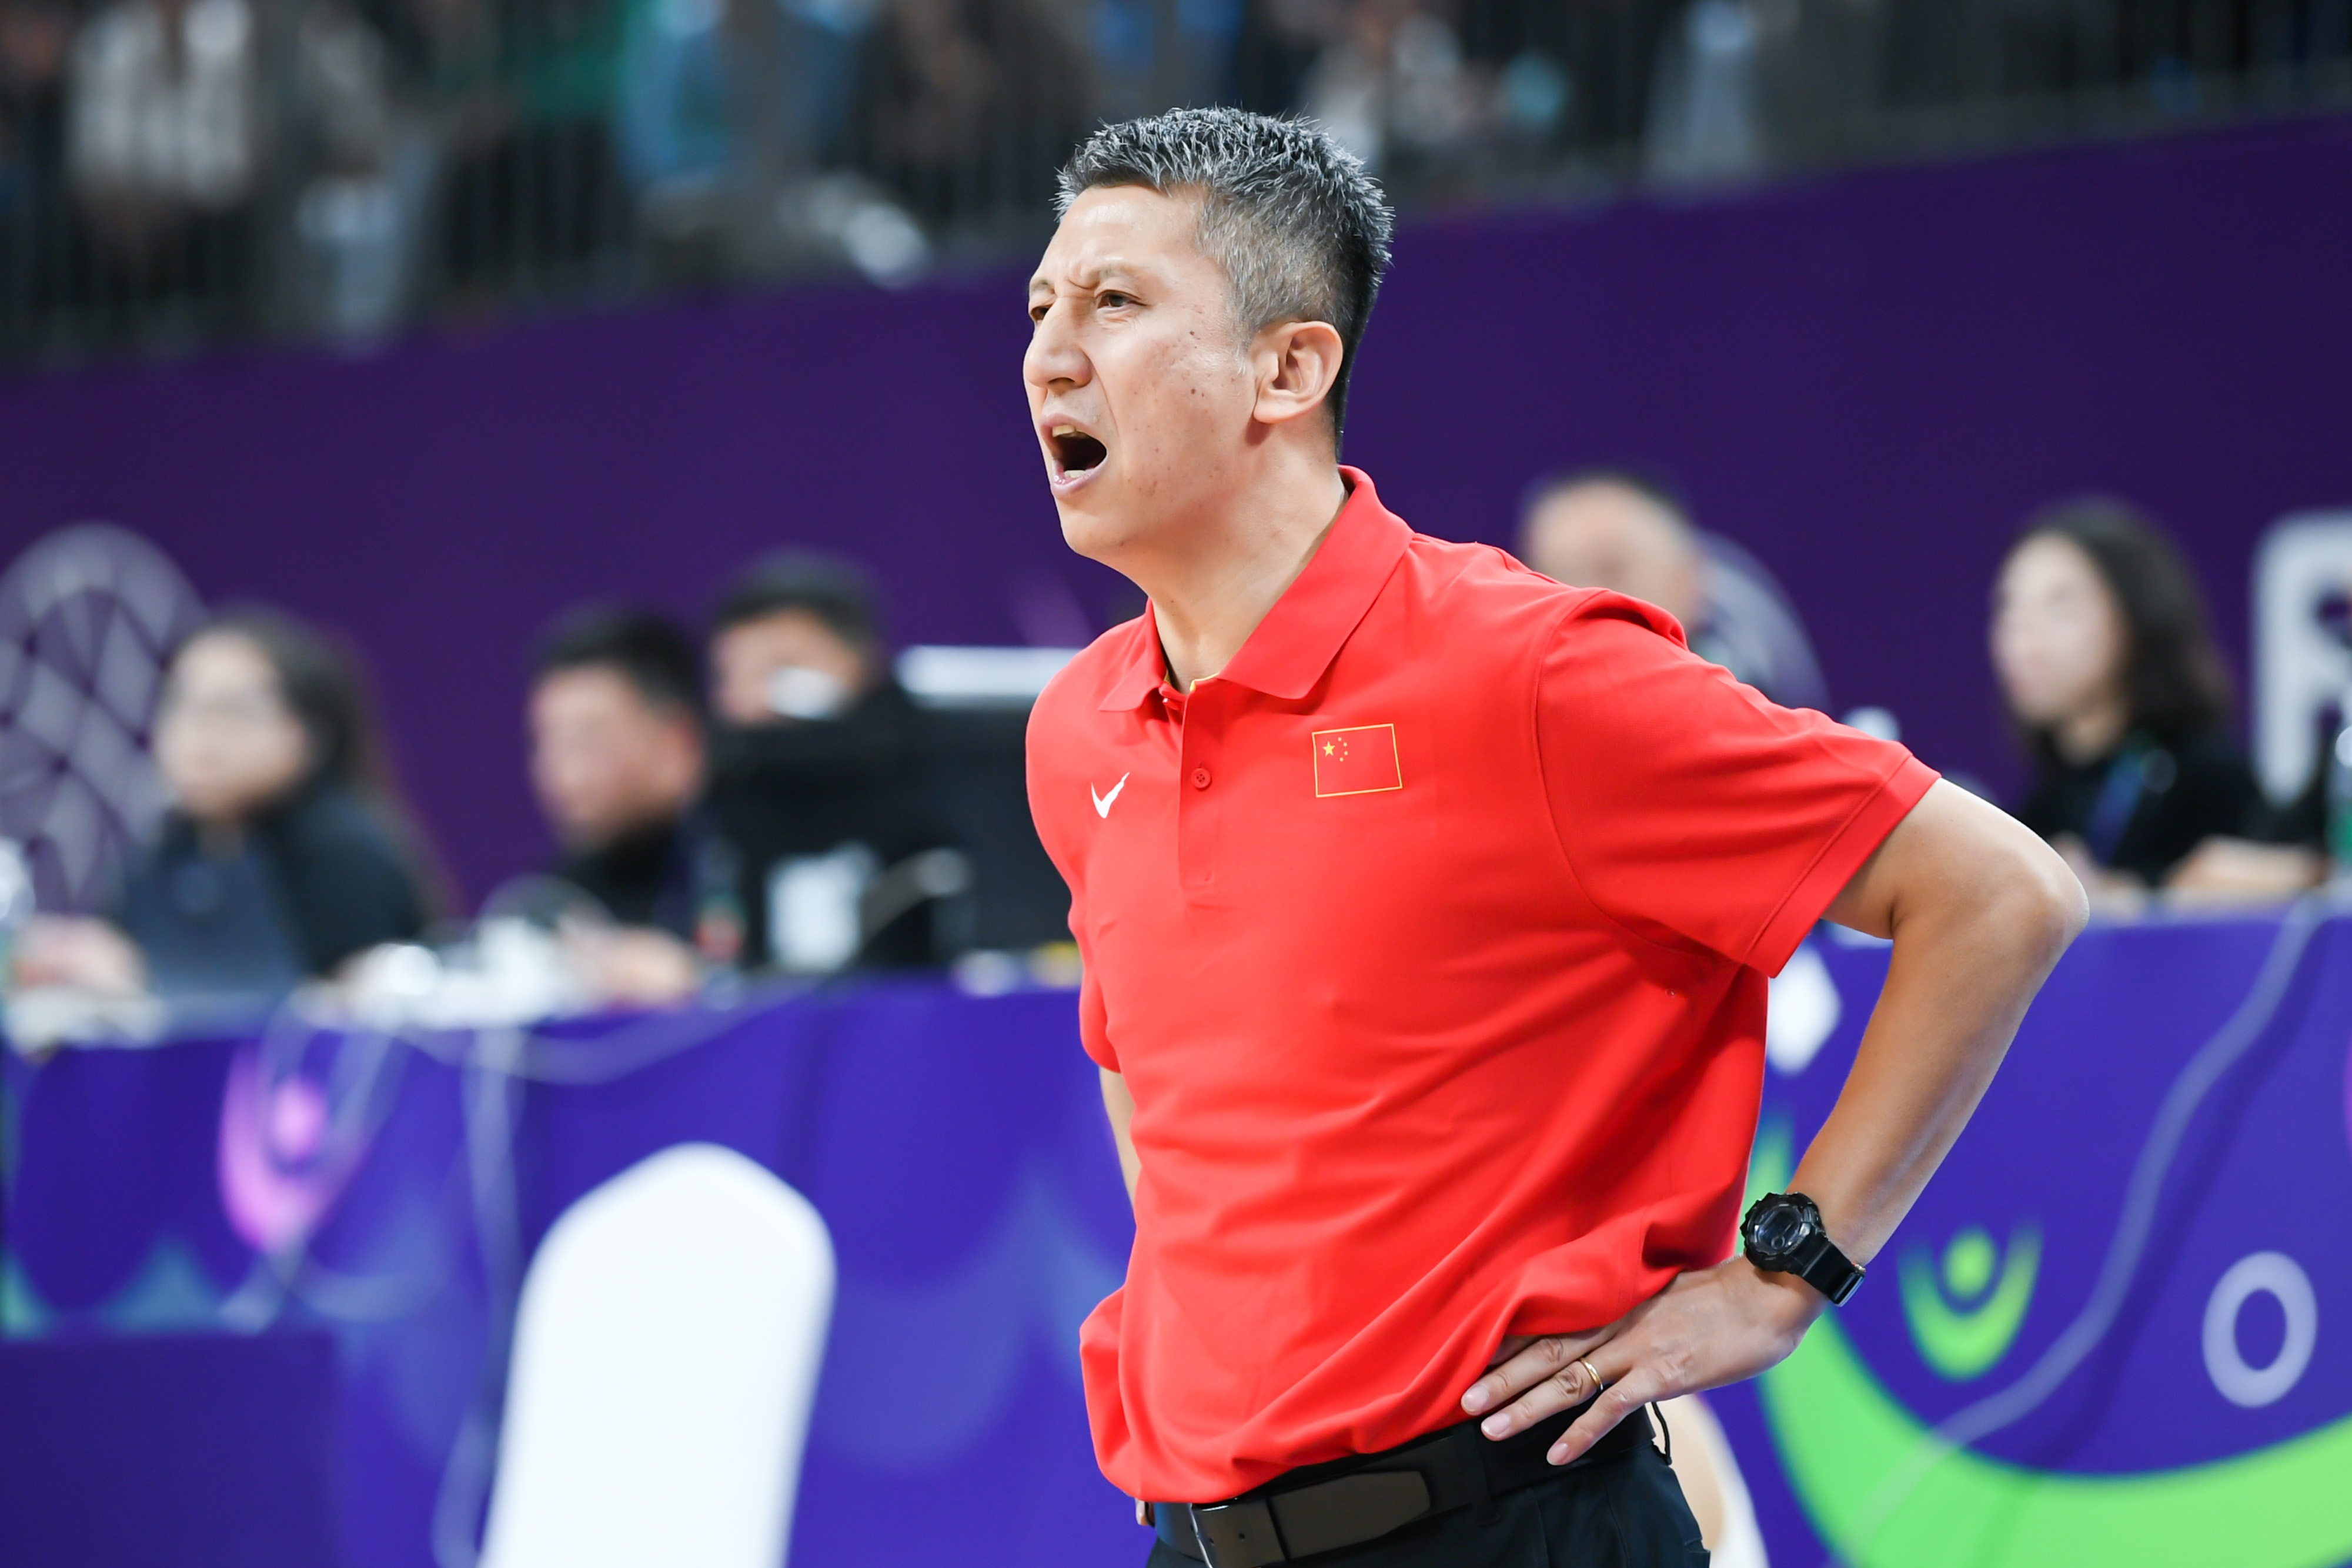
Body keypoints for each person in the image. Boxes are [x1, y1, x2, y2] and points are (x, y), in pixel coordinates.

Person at [1021, 108, 2083, 1566]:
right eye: (1041, 307)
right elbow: (1146, 1082)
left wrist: (1785, 1275)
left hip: (1513, 1519)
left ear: (1288, 369)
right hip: (1199, 1538)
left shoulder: (1523, 673)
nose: (1049, 356)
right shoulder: (1076, 730)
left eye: (1113, 302)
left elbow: (1997, 893)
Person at [13, 608, 436, 1002]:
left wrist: (145, 978)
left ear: (303, 735)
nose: (197, 735)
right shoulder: (162, 853)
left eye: (231, 710)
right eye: (180, 703)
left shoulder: (344, 855)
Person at [1990, 499, 2291, 910]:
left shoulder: (2210, 785)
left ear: (2136, 616)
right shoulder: (2041, 809)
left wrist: (2147, 896)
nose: (2024, 642)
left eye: (2060, 608)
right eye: (2009, 610)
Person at [701, 551, 956, 970]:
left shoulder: (938, 774)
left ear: (859, 662)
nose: (754, 702)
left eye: (781, 670)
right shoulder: (713, 805)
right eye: (734, 677)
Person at [1519, 466, 1828, 710]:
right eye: (1553, 576)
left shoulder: (1751, 715)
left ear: (1687, 579)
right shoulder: (1515, 718)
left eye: (1613, 568)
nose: (1582, 595)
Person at [527, 606, 712, 1004]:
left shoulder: (737, 865)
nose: (564, 774)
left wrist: (698, 982)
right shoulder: (563, 892)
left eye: (587, 741)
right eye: (548, 742)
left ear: (676, 742)